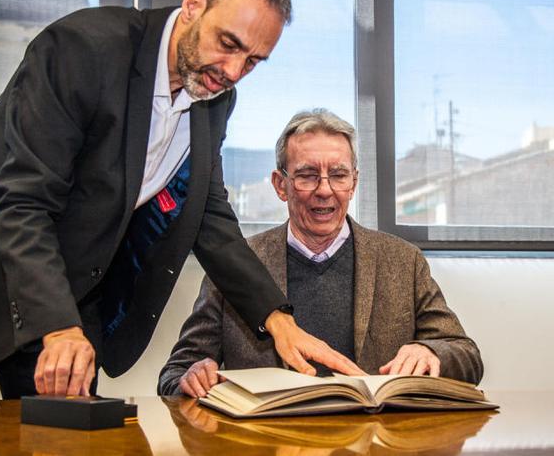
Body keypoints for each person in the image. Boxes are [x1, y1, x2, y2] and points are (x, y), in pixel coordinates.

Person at [0, 0, 361, 402]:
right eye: (228, 43)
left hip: (61, 286)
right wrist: (58, 326)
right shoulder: (84, 48)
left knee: (67, 440)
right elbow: (25, 203)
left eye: (253, 61)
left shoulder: (215, 98)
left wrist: (276, 318)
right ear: (193, 5)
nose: (232, 71)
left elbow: (207, 215)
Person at [158, 109, 483, 398]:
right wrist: (193, 376)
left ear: (353, 183)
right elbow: (174, 374)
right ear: (280, 184)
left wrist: (430, 352)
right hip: (269, 445)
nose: (324, 189)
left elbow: (466, 356)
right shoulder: (236, 264)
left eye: (338, 175)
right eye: (307, 175)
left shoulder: (403, 261)